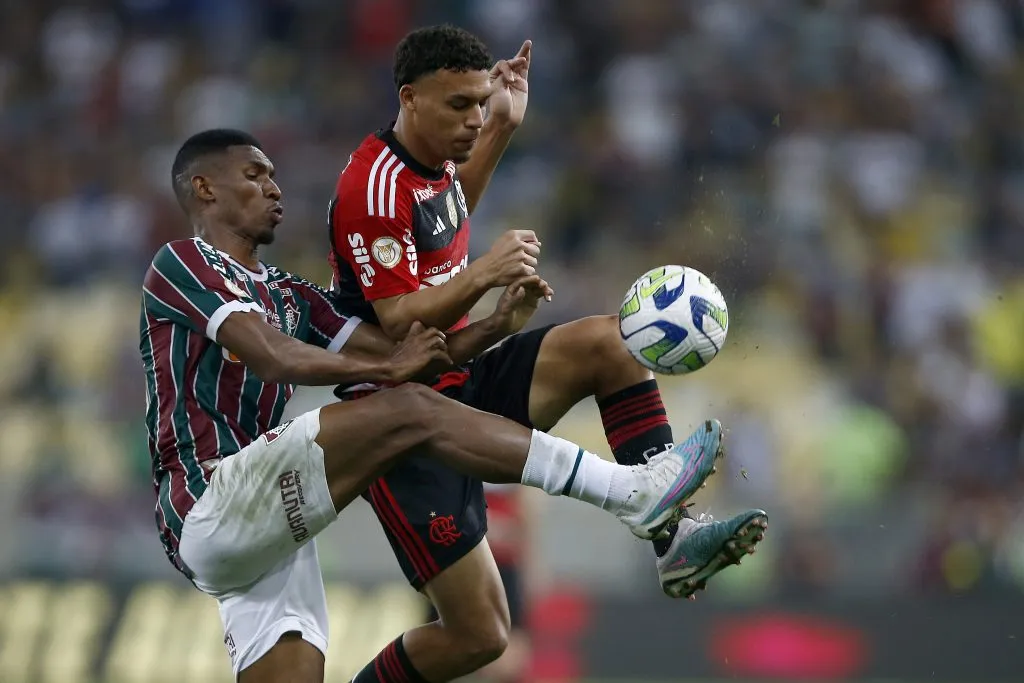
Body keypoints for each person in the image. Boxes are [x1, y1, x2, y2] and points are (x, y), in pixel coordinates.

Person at [141, 128, 730, 683]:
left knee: (412, 401)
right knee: (410, 407)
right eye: (254, 174)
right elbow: (271, 354)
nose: (273, 188)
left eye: (273, 176)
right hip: (210, 499)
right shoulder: (181, 263)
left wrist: (495, 325)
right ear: (204, 188)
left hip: (266, 525)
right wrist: (388, 368)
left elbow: (411, 354)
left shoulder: (289, 294)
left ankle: (647, 500)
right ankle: (632, 492)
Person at [328, 25, 769, 683]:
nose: (473, 119)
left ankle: (672, 539)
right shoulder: (373, 187)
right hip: (399, 425)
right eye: (460, 106)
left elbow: (447, 216)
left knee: (608, 343)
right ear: (409, 98)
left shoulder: (435, 161)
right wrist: (484, 275)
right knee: (481, 637)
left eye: (481, 102)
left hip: (457, 378)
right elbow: (395, 322)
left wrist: (504, 127)